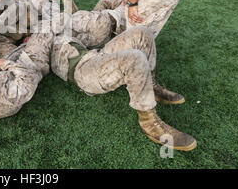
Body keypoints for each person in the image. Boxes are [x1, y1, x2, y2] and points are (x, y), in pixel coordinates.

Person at [51, 26, 196, 151]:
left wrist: (65, 0)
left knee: (142, 32)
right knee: (134, 58)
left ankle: (150, 86)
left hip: (95, 54)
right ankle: (149, 122)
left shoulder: (61, 22)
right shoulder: (36, 38)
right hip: (82, 72)